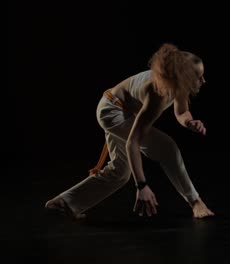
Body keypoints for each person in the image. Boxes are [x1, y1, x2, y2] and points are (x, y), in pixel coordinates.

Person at [45, 43, 214, 220]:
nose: (203, 81)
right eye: (198, 76)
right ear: (182, 77)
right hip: (113, 111)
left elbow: (181, 111)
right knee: (167, 148)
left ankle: (64, 202)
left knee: (120, 172)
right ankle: (195, 202)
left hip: (121, 109)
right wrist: (141, 185)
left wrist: (189, 122)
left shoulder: (177, 82)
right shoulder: (158, 93)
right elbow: (133, 141)